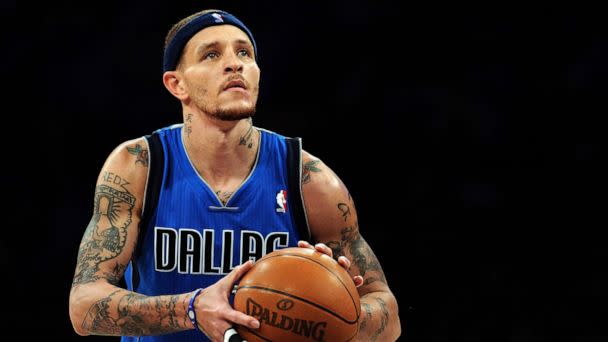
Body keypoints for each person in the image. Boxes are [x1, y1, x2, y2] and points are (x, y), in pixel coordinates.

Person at [68, 9, 401, 342]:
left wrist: (334, 307)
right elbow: (84, 305)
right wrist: (192, 309)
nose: (234, 63)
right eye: (212, 54)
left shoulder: (307, 178)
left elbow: (388, 315)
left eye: (245, 53)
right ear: (177, 84)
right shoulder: (139, 165)